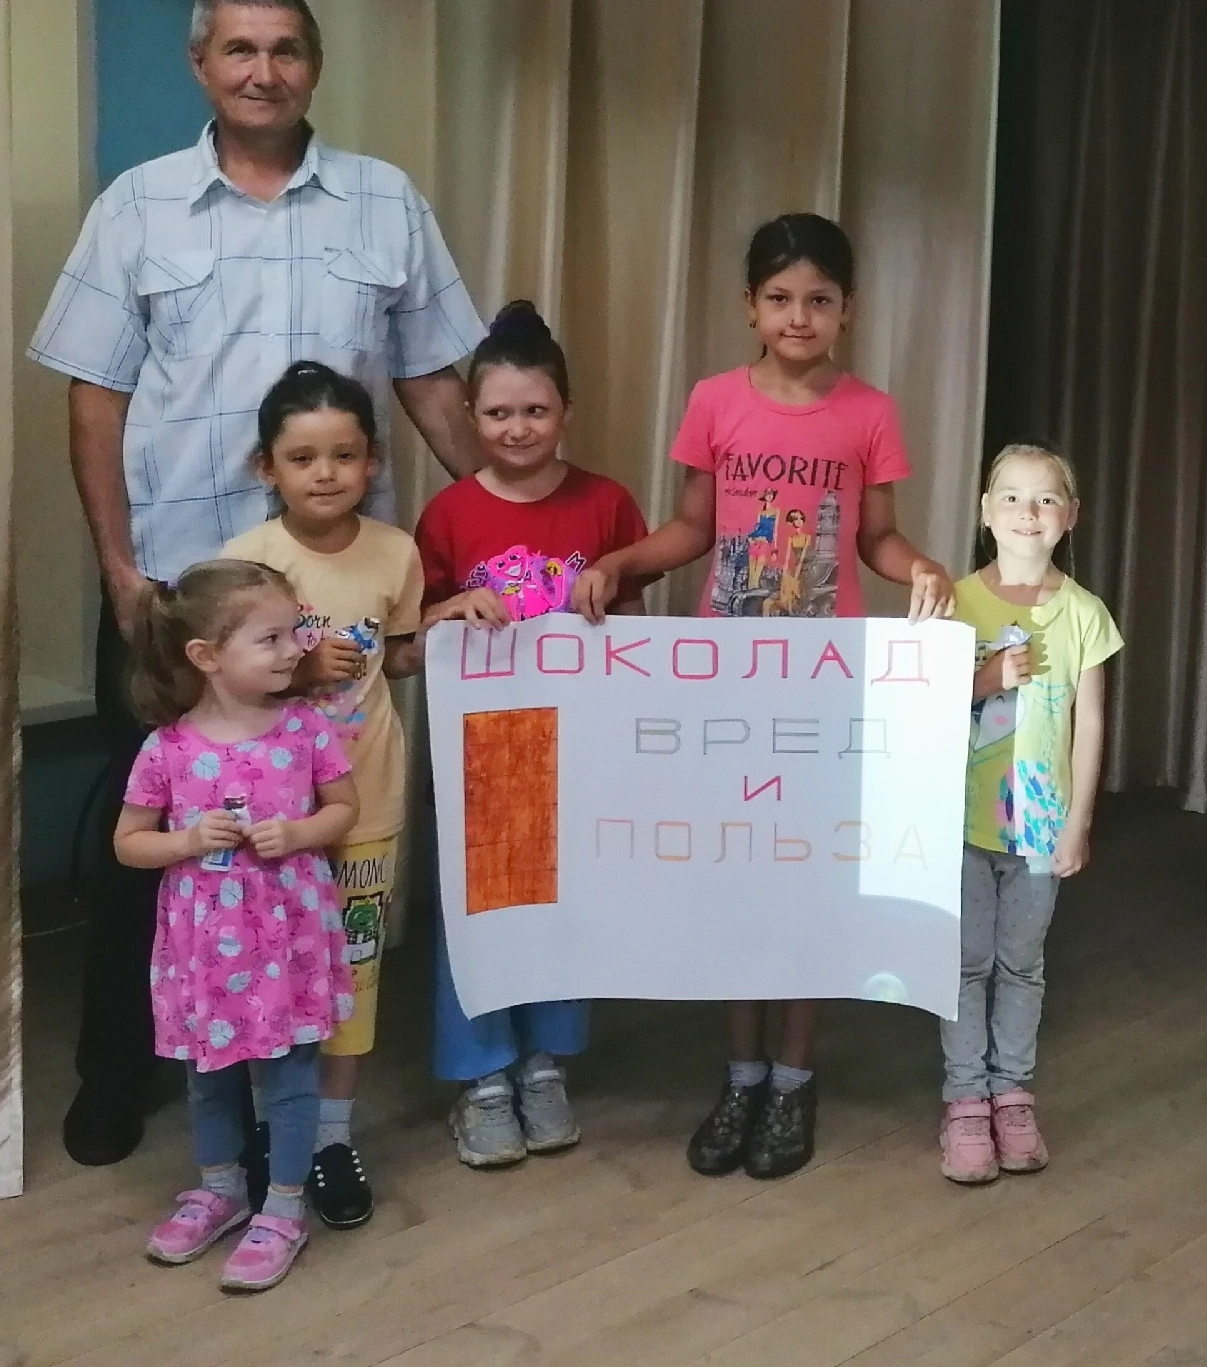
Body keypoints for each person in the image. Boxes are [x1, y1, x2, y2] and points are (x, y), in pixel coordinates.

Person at [29, 0, 485, 1167]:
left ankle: (291, 1082)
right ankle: (119, 1071)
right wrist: (119, 569)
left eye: (285, 48)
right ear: (203, 65)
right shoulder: (137, 207)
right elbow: (95, 399)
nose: (262, 71)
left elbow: (434, 378)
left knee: (315, 827)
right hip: (182, 588)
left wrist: (512, 519)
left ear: (314, 65)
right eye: (239, 49)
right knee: (148, 824)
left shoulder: (385, 202)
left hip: (328, 599)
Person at [586, 212, 955, 1181]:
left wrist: (920, 565)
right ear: (749, 305)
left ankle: (795, 1078)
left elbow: (877, 538)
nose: (799, 316)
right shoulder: (714, 400)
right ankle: (740, 1073)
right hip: (728, 683)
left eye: (819, 300)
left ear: (847, 310)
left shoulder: (870, 412)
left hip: (822, 689)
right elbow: (693, 527)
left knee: (805, 879)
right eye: (781, 298)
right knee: (736, 876)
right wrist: (623, 561)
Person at [414, 301, 651, 1170]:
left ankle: (545, 1064)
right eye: (499, 412)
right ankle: (481, 1076)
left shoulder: (608, 504)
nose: (518, 428)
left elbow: (634, 627)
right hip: (483, 754)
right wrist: (451, 608)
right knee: (479, 910)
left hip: (577, 749)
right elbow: (415, 634)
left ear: (567, 411)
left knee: (563, 907)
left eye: (536, 410)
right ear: (471, 415)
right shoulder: (448, 515)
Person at [111, 560, 358, 1294]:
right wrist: (188, 840)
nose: (294, 649)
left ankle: (283, 1206)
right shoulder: (168, 748)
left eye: (294, 632)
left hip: (289, 937)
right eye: (270, 638)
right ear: (206, 655)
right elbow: (128, 844)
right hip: (204, 948)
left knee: (290, 1074)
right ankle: (221, 1189)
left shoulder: (306, 726)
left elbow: (345, 809)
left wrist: (301, 832)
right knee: (208, 1076)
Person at [219, 362, 422, 1229]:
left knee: (353, 976)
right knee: (271, 974)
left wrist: (452, 628)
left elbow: (398, 654)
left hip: (367, 801)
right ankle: (272, 1134)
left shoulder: (397, 552)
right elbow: (213, 684)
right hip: (271, 819)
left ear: (372, 461)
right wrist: (299, 668)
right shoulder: (244, 561)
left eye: (344, 454)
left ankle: (332, 1138)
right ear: (266, 467)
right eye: (303, 458)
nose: (326, 473)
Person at [939, 445, 1120, 1184]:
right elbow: (916, 706)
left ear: (1069, 516)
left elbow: (1091, 723)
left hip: (1041, 828)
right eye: (1011, 497)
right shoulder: (954, 603)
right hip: (958, 823)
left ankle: (1012, 1095)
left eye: (1046, 499)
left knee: (1021, 964)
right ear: (986, 512)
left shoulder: (1085, 614)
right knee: (964, 964)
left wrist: (1078, 822)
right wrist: (985, 679)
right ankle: (964, 1101)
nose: (1028, 512)